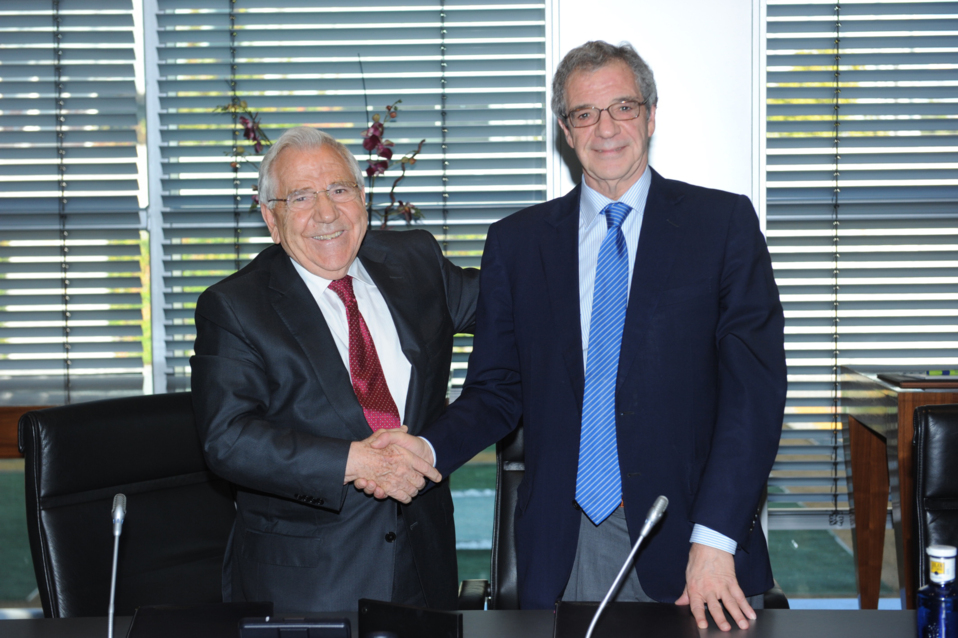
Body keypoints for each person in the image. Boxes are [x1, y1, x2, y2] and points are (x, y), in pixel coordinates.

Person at [361, 41, 786, 631]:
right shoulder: (517, 243)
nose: (605, 128)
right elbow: (497, 390)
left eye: (623, 108)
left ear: (652, 115)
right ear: (565, 128)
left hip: (696, 541)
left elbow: (754, 397)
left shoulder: (722, 226)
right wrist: (426, 449)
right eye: (585, 114)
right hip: (566, 541)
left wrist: (716, 538)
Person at [190, 126, 479, 613]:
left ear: (361, 198)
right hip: (308, 586)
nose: (327, 214)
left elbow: (514, 301)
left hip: (424, 570)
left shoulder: (415, 262)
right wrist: (358, 462)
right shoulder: (235, 306)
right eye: (301, 197)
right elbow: (228, 438)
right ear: (271, 219)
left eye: (339, 190)